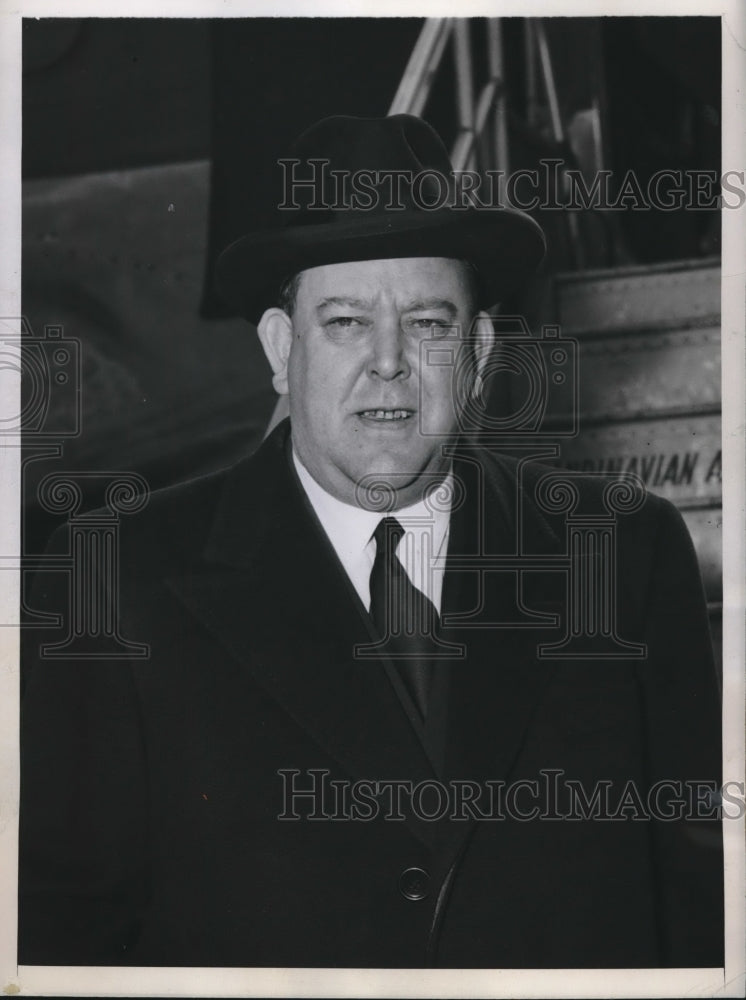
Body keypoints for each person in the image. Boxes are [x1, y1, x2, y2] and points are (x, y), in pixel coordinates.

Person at [19, 114, 723, 969]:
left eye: (427, 324)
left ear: (480, 352)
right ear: (282, 350)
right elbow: (62, 932)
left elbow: (701, 907)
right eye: (346, 322)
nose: (387, 362)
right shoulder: (116, 574)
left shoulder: (625, 555)